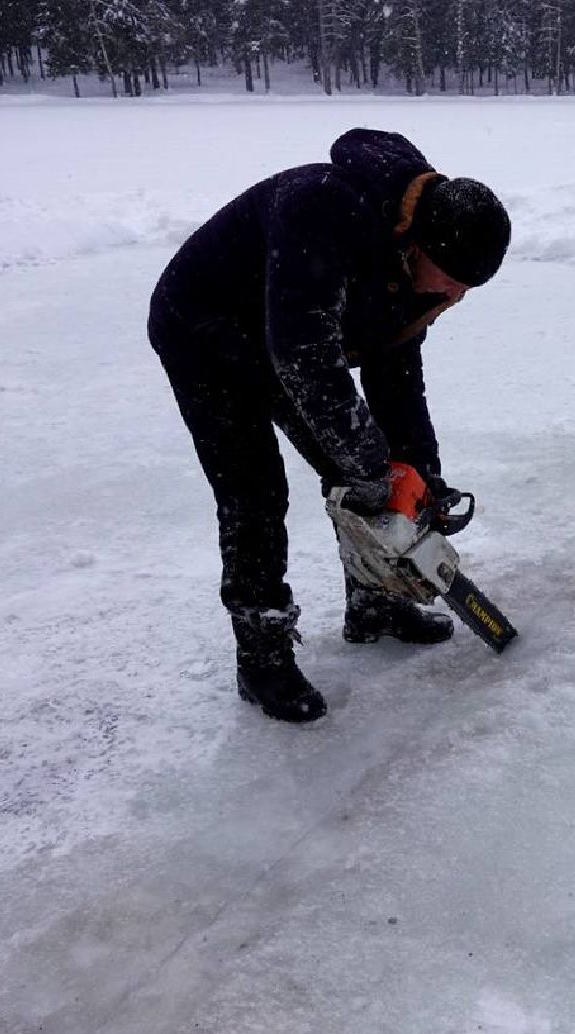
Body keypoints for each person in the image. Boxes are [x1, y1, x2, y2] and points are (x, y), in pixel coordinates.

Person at [146, 129, 511, 723]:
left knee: (372, 464)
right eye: (451, 278)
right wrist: (369, 470)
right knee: (255, 490)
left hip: (286, 336)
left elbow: (395, 373)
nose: (457, 294)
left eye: (468, 286)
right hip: (204, 327)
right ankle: (261, 653)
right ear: (418, 244)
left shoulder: (418, 263)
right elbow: (305, 360)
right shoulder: (321, 207)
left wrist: (420, 476)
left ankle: (374, 603)